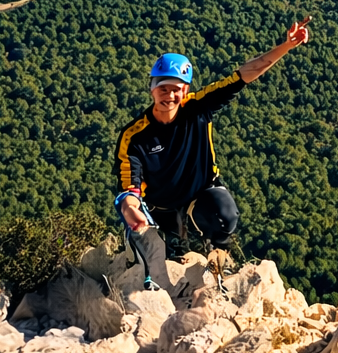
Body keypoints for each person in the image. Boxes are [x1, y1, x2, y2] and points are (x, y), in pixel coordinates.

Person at [114, 19, 310, 265]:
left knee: (226, 217)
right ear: (152, 89)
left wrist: (286, 46)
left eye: (176, 89)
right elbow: (129, 187)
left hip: (200, 191)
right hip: (161, 206)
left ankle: (219, 260)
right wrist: (131, 209)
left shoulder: (198, 108)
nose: (169, 96)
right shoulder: (135, 136)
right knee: (172, 259)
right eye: (163, 88)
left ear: (185, 91)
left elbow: (243, 75)